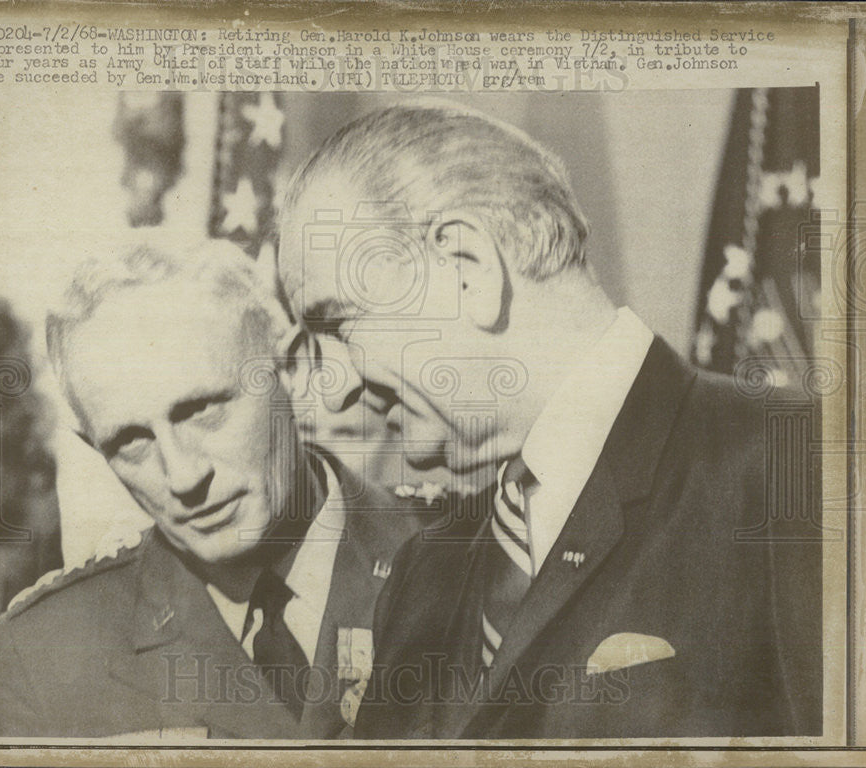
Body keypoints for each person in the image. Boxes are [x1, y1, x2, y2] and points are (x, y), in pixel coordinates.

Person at [276, 101, 823, 738]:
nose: (333, 389)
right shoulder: (424, 573)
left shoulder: (799, 466)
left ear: (466, 265)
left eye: (338, 326)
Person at [0, 240, 437, 738]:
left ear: (295, 369)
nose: (182, 477)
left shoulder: (469, 558)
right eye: (130, 442)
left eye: (202, 410)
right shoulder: (51, 654)